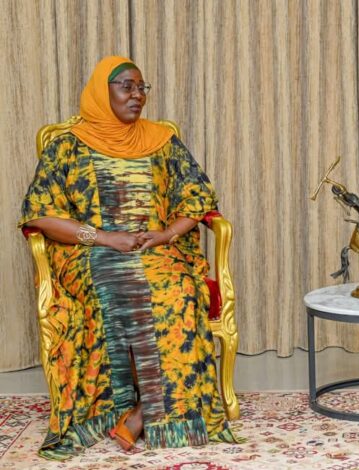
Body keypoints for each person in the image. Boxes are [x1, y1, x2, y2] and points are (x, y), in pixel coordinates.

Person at [19, 56, 241, 460]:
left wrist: (166, 235)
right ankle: (120, 408)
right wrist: (106, 238)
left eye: (142, 87)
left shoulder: (161, 140)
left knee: (178, 291)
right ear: (101, 92)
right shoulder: (67, 145)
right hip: (91, 251)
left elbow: (198, 198)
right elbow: (40, 215)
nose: (137, 95)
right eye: (126, 86)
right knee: (116, 287)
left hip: (155, 248)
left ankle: (141, 414)